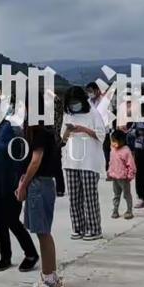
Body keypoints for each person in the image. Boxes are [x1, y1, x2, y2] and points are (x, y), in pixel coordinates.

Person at [0, 95, 39, 272]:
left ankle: (31, 253)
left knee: (12, 220)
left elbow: (17, 154)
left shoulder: (8, 129)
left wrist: (22, 181)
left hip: (9, 180)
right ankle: (5, 255)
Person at [15, 94, 64, 287]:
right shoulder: (45, 130)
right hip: (41, 182)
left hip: (39, 184)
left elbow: (36, 161)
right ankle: (49, 276)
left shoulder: (39, 133)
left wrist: (24, 184)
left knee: (43, 232)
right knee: (43, 232)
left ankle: (49, 279)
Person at [61, 86, 106, 241]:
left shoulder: (93, 113)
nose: (74, 105)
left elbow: (101, 135)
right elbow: (63, 137)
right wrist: (68, 131)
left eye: (76, 102)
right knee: (74, 197)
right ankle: (78, 227)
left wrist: (84, 129)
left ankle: (94, 228)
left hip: (89, 161)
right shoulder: (68, 114)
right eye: (71, 102)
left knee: (89, 196)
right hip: (71, 161)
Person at [108, 130, 136, 220]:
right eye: (112, 141)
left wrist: (130, 175)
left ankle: (129, 210)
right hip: (115, 177)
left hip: (124, 178)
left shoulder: (126, 151)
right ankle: (115, 210)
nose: (113, 143)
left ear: (122, 141)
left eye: (115, 141)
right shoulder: (112, 149)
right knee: (116, 195)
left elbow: (131, 165)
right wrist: (109, 172)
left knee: (126, 195)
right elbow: (111, 162)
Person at [86, 81, 112, 174]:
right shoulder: (87, 102)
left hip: (104, 130)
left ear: (97, 90)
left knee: (105, 151)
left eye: (91, 91)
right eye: (88, 91)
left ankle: (107, 169)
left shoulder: (105, 102)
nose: (90, 93)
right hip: (91, 130)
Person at [53, 93, 66, 197]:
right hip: (54, 140)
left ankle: (60, 188)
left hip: (55, 141)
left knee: (57, 166)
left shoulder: (57, 111)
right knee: (57, 166)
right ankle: (59, 189)